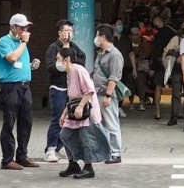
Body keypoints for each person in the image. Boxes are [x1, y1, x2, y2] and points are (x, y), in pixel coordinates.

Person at [0, 14, 40, 171]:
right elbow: (12, 58)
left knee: (26, 122)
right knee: (9, 122)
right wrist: (23, 42)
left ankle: (22, 155)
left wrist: (29, 66)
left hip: (24, 86)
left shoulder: (22, 44)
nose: (25, 30)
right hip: (10, 87)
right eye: (21, 27)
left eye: (26, 27)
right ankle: (7, 159)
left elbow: (19, 63)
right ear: (13, 27)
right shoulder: (5, 42)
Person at [55, 51, 108, 180]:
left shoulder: (79, 70)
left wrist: (80, 106)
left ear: (67, 59)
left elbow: (89, 90)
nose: (57, 62)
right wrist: (64, 114)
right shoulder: (69, 73)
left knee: (86, 138)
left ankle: (88, 167)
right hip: (75, 110)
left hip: (85, 110)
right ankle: (73, 163)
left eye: (58, 59)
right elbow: (71, 97)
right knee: (64, 135)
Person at [42, 21, 86, 164]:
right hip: (58, 87)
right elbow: (50, 67)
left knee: (69, 119)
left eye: (71, 30)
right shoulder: (53, 48)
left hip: (71, 87)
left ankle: (62, 146)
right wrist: (62, 65)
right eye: (66, 30)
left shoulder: (74, 47)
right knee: (58, 117)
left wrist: (69, 58)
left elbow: (82, 59)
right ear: (59, 33)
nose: (69, 33)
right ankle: (50, 148)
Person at [91, 24, 124, 164]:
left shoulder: (115, 54)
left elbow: (113, 78)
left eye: (98, 35)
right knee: (101, 124)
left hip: (106, 94)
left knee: (111, 124)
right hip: (98, 93)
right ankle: (107, 151)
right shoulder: (100, 53)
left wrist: (108, 96)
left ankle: (116, 153)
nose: (96, 38)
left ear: (103, 37)